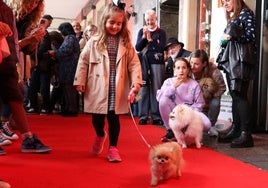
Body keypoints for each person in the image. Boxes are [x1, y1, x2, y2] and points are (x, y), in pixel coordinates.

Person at [74, 1, 142, 162]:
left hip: (117, 84)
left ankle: (113, 148)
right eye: (112, 22)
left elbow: (134, 64)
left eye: (119, 23)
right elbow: (83, 61)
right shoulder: (94, 41)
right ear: (104, 21)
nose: (115, 26)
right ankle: (100, 134)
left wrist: (136, 83)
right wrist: (80, 80)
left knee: (114, 117)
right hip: (97, 84)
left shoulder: (126, 43)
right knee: (97, 118)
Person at [0, 0, 51, 154]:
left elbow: (18, 44)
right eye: (30, 1)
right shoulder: (9, 11)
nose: (33, 4)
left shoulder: (9, 11)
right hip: (9, 58)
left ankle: (27, 138)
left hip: (10, 59)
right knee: (16, 95)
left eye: (36, 2)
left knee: (17, 95)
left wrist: (33, 41)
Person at [216, 0, 257, 148]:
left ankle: (246, 134)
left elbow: (251, 37)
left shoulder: (246, 13)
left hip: (240, 62)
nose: (225, 3)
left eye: (228, 0)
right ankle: (236, 129)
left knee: (240, 96)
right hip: (233, 61)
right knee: (235, 95)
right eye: (223, 1)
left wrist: (232, 35)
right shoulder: (236, 16)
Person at [156, 57, 211, 142]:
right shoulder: (169, 82)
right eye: (178, 68)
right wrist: (173, 87)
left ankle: (189, 131)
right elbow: (160, 97)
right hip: (174, 110)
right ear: (174, 69)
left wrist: (188, 113)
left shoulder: (194, 84)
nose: (181, 71)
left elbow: (200, 103)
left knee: (207, 125)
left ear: (188, 69)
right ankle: (171, 130)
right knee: (163, 101)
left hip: (190, 111)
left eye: (184, 68)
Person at [135, 9, 166, 125]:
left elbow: (161, 48)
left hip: (157, 63)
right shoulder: (141, 31)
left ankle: (156, 115)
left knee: (156, 89)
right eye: (148, 20)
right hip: (143, 63)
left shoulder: (161, 32)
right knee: (143, 89)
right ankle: (143, 116)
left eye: (152, 19)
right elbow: (138, 47)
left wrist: (150, 40)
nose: (150, 22)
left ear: (156, 19)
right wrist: (144, 38)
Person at [189, 49, 226, 136]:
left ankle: (211, 126)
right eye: (191, 62)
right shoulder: (186, 68)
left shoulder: (214, 72)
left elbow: (222, 88)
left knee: (215, 103)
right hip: (191, 96)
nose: (192, 66)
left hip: (209, 97)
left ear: (204, 64)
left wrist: (208, 98)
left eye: (196, 64)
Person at [48, 22, 80, 117]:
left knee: (69, 88)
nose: (61, 32)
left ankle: (71, 110)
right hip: (68, 66)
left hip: (69, 66)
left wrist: (54, 52)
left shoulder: (70, 38)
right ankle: (68, 108)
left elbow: (66, 50)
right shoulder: (71, 38)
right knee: (68, 88)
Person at [27, 14, 53, 115]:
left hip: (43, 65)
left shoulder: (46, 34)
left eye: (48, 22)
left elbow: (43, 48)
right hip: (35, 65)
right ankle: (33, 106)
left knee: (44, 87)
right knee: (33, 86)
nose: (44, 23)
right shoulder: (34, 32)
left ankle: (45, 107)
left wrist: (32, 56)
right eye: (42, 21)